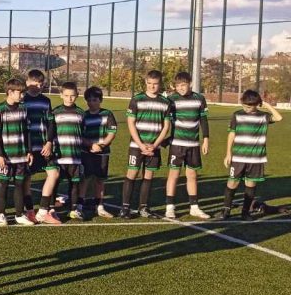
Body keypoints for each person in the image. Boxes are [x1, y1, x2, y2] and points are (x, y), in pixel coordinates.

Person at [222, 90, 283, 220]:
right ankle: (226, 210)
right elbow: (232, 134)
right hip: (238, 157)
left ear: (257, 104)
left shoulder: (263, 116)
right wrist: (228, 153)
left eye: (250, 107)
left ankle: (245, 212)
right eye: (244, 105)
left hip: (256, 158)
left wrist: (266, 104)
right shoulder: (237, 115)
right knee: (232, 183)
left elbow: (279, 118)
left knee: (250, 185)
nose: (247, 109)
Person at [121, 70, 172, 218]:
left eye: (155, 84)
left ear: (160, 84)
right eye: (149, 83)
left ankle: (144, 207)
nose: (152, 86)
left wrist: (155, 145)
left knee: (148, 176)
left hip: (153, 147)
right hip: (137, 146)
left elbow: (166, 127)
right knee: (132, 174)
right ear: (145, 82)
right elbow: (131, 123)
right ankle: (125, 208)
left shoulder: (165, 102)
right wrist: (141, 144)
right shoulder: (137, 99)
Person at [164, 71, 211, 220]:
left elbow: (203, 120)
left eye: (183, 85)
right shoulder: (171, 100)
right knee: (173, 175)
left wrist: (206, 139)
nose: (181, 88)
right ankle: (169, 207)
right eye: (178, 86)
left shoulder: (199, 99)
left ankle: (194, 207)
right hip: (177, 144)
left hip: (193, 144)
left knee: (192, 175)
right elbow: (164, 119)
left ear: (190, 84)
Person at [38, 81, 84, 222]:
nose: (69, 98)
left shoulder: (81, 113)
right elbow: (51, 132)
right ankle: (51, 208)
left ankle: (73, 209)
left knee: (74, 183)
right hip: (59, 154)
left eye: (72, 95)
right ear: (61, 95)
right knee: (55, 181)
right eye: (67, 95)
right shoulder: (55, 112)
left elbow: (83, 132)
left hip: (75, 155)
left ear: (77, 95)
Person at [0, 78, 33, 226]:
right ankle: (1, 215)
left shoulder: (23, 108)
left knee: (19, 184)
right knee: (3, 184)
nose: (22, 95)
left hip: (21, 155)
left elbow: (27, 131)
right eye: (20, 93)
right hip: (6, 157)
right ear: (10, 92)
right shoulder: (0, 110)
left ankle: (19, 214)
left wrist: (29, 151)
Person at [79, 86, 117, 220]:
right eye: (89, 100)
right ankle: (80, 206)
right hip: (86, 152)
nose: (91, 103)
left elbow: (112, 132)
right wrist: (91, 145)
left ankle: (99, 206)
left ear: (100, 100)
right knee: (85, 179)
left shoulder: (107, 114)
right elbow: (80, 135)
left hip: (102, 153)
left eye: (94, 100)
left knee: (100, 180)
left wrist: (102, 145)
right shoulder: (83, 115)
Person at [20, 69, 51, 221]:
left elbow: (50, 123)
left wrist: (49, 142)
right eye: (35, 83)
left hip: (43, 146)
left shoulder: (45, 101)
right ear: (27, 83)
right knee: (27, 178)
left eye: (41, 84)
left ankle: (45, 209)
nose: (39, 86)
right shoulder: (21, 100)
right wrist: (26, 148)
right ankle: (30, 210)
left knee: (54, 173)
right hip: (27, 147)